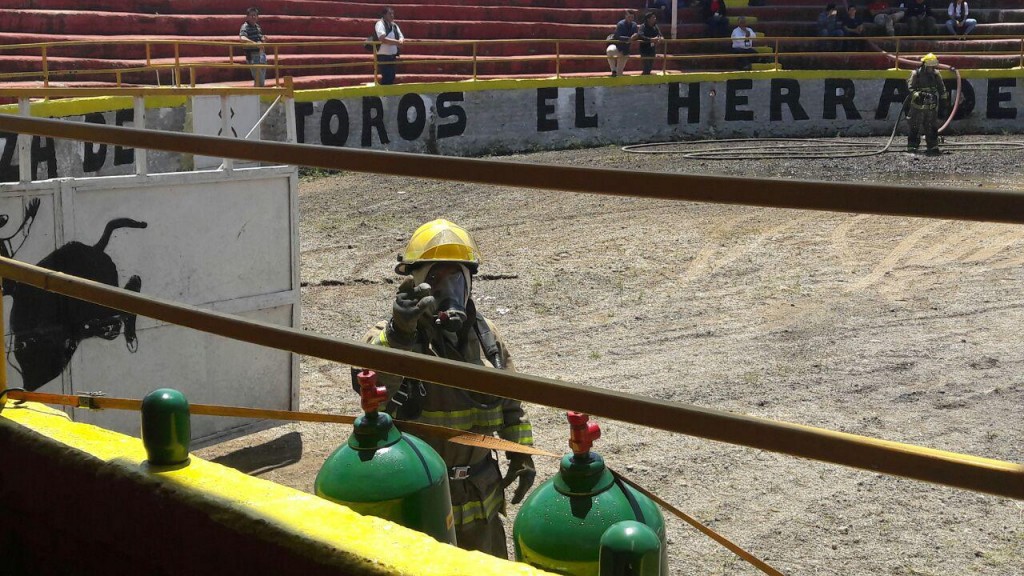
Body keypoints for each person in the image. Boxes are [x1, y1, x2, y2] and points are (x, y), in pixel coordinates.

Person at [358, 219, 535, 558]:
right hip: (423, 501)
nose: (447, 289)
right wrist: (400, 333)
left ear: (470, 281)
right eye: (436, 278)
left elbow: (511, 401)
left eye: (456, 277)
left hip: (481, 502)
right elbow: (371, 386)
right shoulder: (390, 337)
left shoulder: (486, 337)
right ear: (416, 281)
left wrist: (521, 452)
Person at [906, 53, 948, 154]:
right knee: (915, 126)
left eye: (933, 65)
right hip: (918, 105)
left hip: (931, 106)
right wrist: (916, 94)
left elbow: (942, 89)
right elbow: (910, 87)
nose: (931, 67)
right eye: (930, 65)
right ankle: (912, 146)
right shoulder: (916, 74)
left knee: (931, 126)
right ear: (924, 64)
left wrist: (944, 102)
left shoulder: (936, 74)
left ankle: (932, 146)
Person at [373, 7, 404, 85]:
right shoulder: (380, 24)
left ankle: (387, 95)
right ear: (384, 15)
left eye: (392, 14)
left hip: (392, 56)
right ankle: (384, 95)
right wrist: (397, 42)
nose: (392, 15)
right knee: (387, 76)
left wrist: (401, 41)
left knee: (391, 76)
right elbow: (382, 38)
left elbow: (401, 36)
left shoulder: (394, 26)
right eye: (390, 14)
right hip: (383, 56)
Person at [239, 7, 268, 87]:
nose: (253, 17)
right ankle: (258, 97)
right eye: (251, 15)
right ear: (247, 16)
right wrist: (255, 43)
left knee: (260, 80)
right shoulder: (245, 27)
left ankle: (257, 97)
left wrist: (263, 38)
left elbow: (259, 37)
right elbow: (242, 38)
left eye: (255, 15)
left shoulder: (257, 27)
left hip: (261, 54)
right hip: (252, 54)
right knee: (260, 80)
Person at [606, 9, 639, 77]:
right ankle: (613, 70)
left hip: (625, 50)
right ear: (625, 16)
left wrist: (635, 36)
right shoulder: (620, 24)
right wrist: (629, 39)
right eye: (629, 17)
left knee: (620, 72)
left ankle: (617, 76)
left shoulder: (634, 25)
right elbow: (617, 36)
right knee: (609, 50)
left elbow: (636, 35)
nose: (630, 18)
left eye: (632, 17)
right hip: (618, 46)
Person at [638, 10, 664, 75]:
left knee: (650, 66)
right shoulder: (642, 27)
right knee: (646, 66)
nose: (655, 19)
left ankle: (646, 79)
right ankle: (643, 79)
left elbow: (660, 34)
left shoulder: (655, 26)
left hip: (652, 49)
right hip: (644, 49)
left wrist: (660, 38)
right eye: (653, 17)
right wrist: (651, 39)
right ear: (648, 19)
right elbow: (640, 36)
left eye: (655, 17)